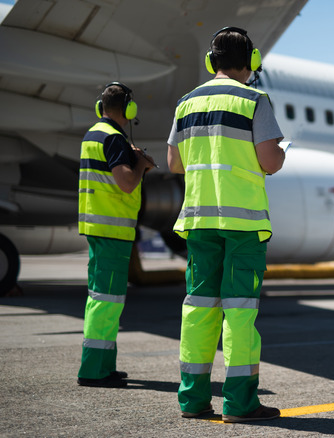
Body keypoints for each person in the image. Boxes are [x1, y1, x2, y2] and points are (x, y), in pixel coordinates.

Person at [167, 26, 285, 422]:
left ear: (210, 62)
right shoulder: (255, 100)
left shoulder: (186, 103)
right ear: (251, 62)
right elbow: (269, 162)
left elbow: (174, 164)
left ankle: (193, 401)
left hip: (199, 220)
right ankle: (240, 402)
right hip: (243, 223)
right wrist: (279, 154)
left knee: (198, 309)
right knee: (239, 312)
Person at [77, 82, 156, 388]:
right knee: (107, 301)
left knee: (104, 299)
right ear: (129, 110)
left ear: (101, 107)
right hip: (112, 230)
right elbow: (125, 183)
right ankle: (94, 371)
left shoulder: (94, 134)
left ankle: (104, 365)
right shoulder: (114, 138)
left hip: (99, 227)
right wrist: (141, 164)